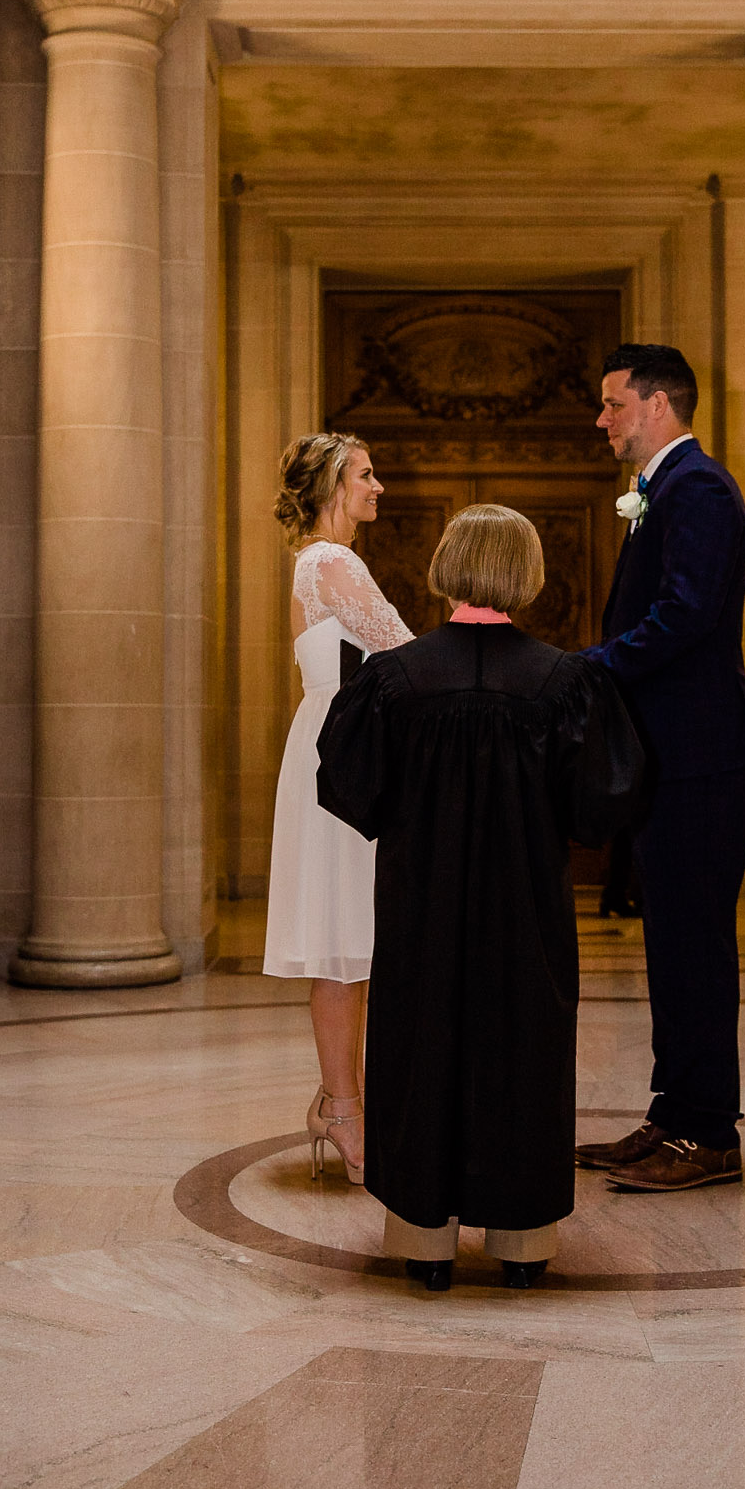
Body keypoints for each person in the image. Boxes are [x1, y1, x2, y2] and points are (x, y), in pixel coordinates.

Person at [315, 505, 644, 1292]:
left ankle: (423, 1242)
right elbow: (603, 808)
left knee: (419, 1045)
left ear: (446, 566)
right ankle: (522, 1244)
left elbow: (348, 789)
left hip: (418, 915)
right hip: (525, 917)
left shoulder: (394, 680)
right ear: (529, 574)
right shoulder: (565, 682)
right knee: (522, 1052)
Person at [576, 344, 745, 1193]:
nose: (603, 420)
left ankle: (707, 1136)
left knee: (694, 945)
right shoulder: (671, 491)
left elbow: (685, 614)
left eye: (613, 404)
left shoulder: (697, 489)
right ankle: (675, 1116)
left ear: (657, 406)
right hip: (678, 756)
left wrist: (591, 666)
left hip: (702, 755)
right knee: (675, 943)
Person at [265, 431, 413, 1187]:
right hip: (346, 755)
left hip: (340, 742)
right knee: (343, 937)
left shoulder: (320, 562)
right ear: (330, 485)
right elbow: (401, 651)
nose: (377, 484)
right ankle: (344, 1108)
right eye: (365, 473)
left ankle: (341, 1099)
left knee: (349, 937)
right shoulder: (331, 560)